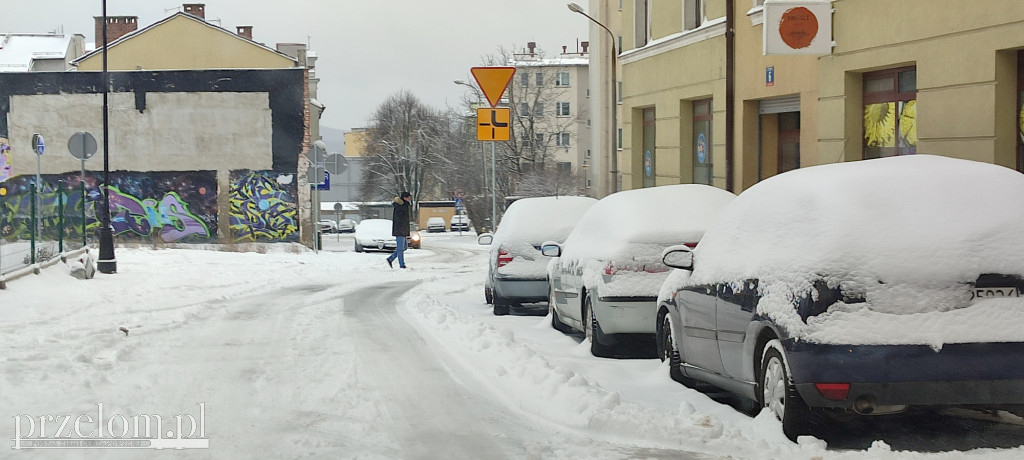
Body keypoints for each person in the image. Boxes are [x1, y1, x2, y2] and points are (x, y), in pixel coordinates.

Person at [386, 191, 412, 269]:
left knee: (404, 247)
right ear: (405, 198)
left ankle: (390, 258)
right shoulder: (400, 207)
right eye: (409, 198)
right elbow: (400, 220)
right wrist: (402, 229)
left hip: (403, 230)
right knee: (400, 248)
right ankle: (402, 265)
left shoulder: (404, 205)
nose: (410, 199)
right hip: (400, 230)